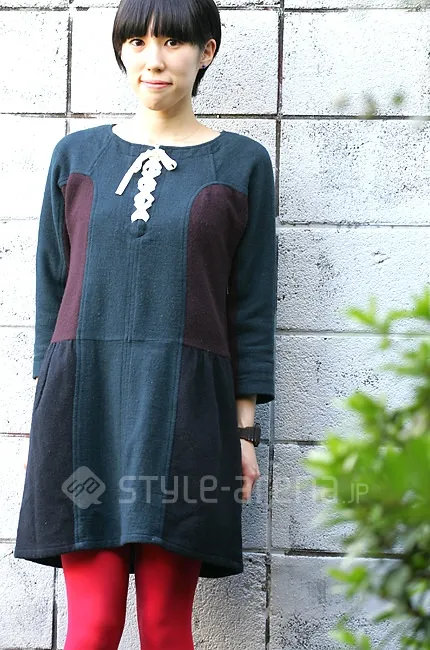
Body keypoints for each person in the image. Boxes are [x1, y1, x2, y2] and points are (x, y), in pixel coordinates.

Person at [14, 0, 277, 646]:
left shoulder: (243, 164)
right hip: (85, 416)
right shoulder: (76, 157)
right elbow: (51, 288)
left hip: (187, 416)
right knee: (95, 623)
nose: (152, 60)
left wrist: (244, 432)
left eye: (172, 43)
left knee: (164, 624)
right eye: (136, 43)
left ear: (206, 51)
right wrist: (48, 409)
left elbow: (249, 305)